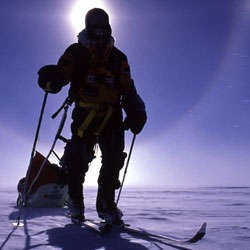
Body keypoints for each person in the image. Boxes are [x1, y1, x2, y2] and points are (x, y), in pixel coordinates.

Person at [37, 8, 147, 224]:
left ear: (108, 28)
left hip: (112, 114)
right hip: (85, 114)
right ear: (88, 27)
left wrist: (136, 109)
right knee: (77, 160)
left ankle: (106, 205)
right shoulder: (76, 52)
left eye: (102, 26)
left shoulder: (118, 58)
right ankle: (76, 203)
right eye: (94, 26)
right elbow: (63, 72)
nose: (99, 31)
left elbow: (128, 87)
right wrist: (54, 78)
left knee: (114, 159)